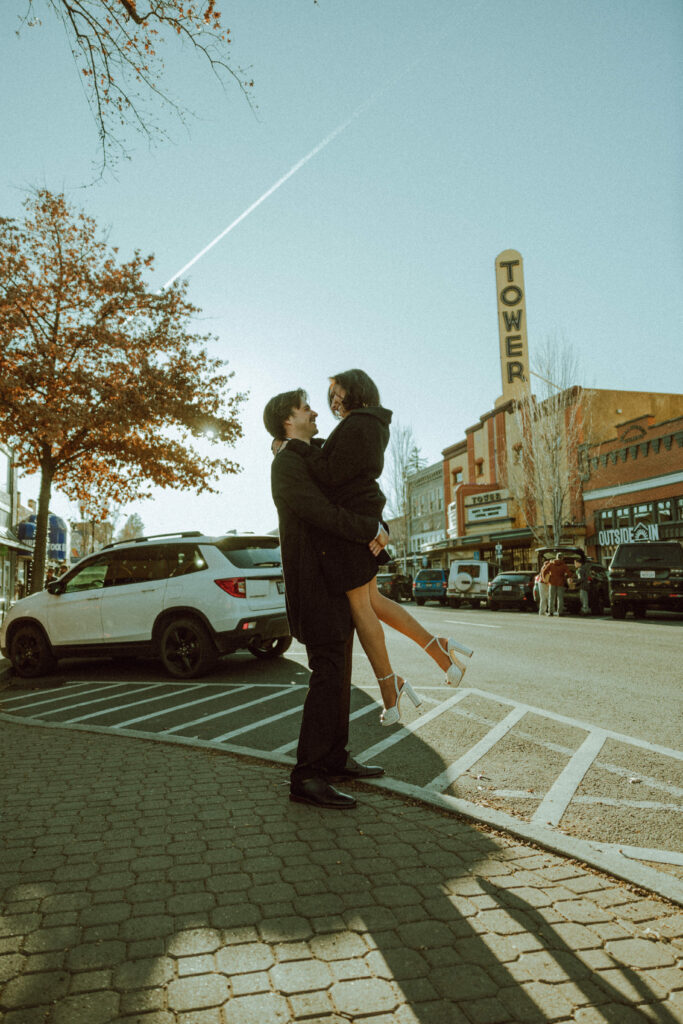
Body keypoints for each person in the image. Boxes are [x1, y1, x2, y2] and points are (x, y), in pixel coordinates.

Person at [273, 369, 473, 725]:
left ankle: (388, 686)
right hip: (362, 519)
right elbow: (336, 460)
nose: (331, 403)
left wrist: (292, 449)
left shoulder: (358, 425)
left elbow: (329, 473)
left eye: (338, 393)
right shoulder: (367, 424)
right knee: (374, 601)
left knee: (361, 607)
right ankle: (436, 650)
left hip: (353, 527)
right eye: (328, 397)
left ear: (357, 389)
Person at [264, 387, 388, 810]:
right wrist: (368, 529)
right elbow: (320, 512)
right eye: (305, 408)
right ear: (287, 420)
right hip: (312, 587)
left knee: (339, 674)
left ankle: (334, 758)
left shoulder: (309, 457)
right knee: (326, 676)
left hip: (333, 582)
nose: (315, 411)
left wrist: (376, 520)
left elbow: (350, 490)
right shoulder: (286, 466)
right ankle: (308, 776)